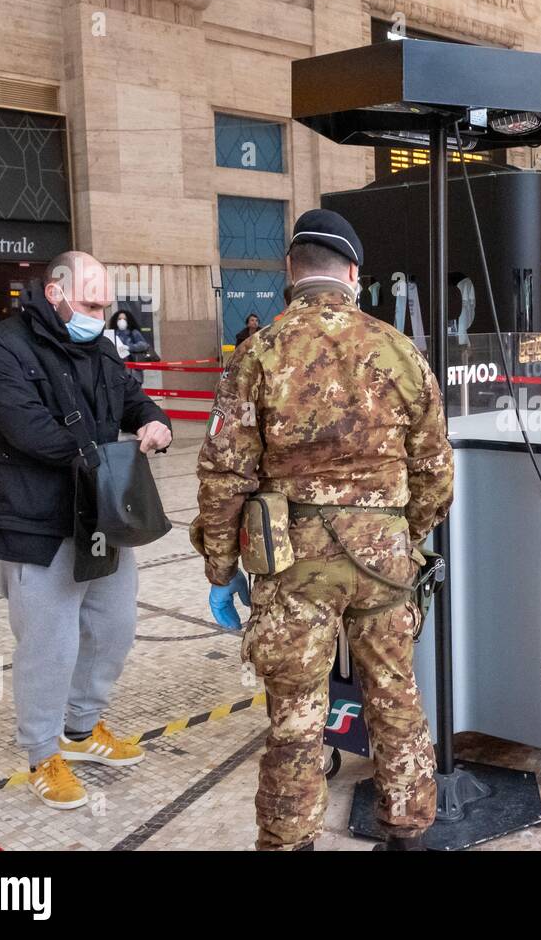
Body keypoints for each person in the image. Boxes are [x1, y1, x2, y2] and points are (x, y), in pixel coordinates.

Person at [192, 209, 454, 851]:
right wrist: (404, 535)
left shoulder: (257, 352)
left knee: (295, 720)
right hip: (385, 564)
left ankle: (291, 842)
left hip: (290, 567)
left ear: (291, 272)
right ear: (353, 275)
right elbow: (437, 472)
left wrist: (222, 568)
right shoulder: (400, 351)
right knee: (395, 700)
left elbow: (223, 474)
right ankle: (406, 833)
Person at [0, 251, 173, 810]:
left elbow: (133, 399)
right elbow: (30, 430)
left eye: (105, 305)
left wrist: (155, 421)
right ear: (54, 293)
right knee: (48, 645)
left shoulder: (101, 348)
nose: (99, 314)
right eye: (89, 303)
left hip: (101, 515)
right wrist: (109, 453)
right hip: (36, 521)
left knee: (114, 627)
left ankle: (80, 731)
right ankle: (42, 753)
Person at [110, 309, 152, 385]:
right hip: (118, 371)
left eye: (124, 319)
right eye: (119, 319)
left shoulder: (133, 332)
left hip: (133, 371)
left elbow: (144, 345)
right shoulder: (113, 333)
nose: (122, 321)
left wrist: (129, 347)